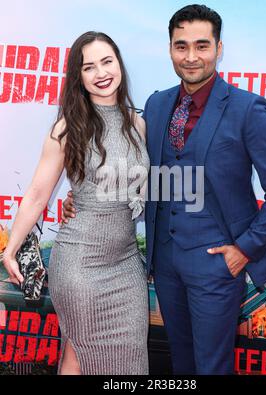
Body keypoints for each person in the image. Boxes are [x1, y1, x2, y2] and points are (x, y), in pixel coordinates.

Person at [62, 5, 266, 375]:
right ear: (170, 48)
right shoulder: (156, 105)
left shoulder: (247, 108)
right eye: (181, 46)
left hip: (217, 266)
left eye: (202, 46)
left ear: (219, 49)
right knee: (182, 366)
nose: (191, 57)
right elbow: (135, 170)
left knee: (211, 368)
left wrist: (245, 249)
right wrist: (84, 197)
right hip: (165, 265)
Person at [3, 31, 150, 375]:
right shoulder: (68, 128)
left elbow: (139, 187)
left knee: (122, 359)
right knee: (80, 355)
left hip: (127, 264)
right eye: (89, 67)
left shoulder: (137, 124)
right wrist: (11, 250)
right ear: (78, 77)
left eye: (107, 61)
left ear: (119, 64)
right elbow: (38, 193)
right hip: (80, 265)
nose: (101, 72)